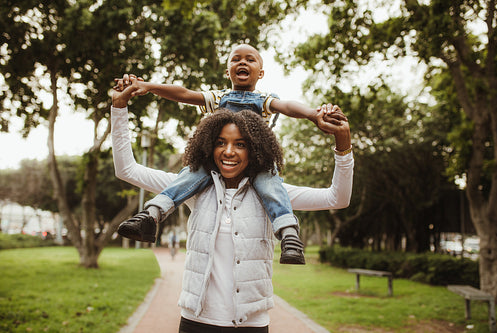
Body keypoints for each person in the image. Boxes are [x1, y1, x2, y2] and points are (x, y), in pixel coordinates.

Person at [111, 86, 353, 332]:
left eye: (240, 144)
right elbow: (126, 170)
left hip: (251, 324)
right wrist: (119, 108)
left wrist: (343, 143)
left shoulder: (274, 195)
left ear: (255, 149)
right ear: (208, 147)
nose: (229, 151)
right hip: (196, 322)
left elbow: (337, 198)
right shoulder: (192, 189)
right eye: (220, 143)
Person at [114, 43, 348, 265]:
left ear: (261, 73)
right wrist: (149, 87)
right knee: (188, 176)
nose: (242, 62)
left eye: (250, 59)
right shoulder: (218, 97)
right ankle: (151, 215)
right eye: (235, 59)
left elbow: (286, 106)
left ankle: (288, 235)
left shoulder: (264, 100)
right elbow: (184, 94)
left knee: (272, 188)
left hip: (260, 165)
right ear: (228, 71)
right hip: (208, 168)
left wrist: (312, 114)